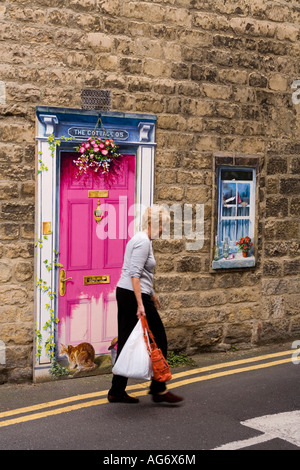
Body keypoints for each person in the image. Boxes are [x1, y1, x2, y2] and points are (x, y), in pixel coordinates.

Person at [108, 205, 184, 404]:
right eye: (163, 225)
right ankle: (158, 390)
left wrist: (152, 293)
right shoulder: (143, 242)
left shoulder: (140, 239)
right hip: (133, 295)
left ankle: (116, 391)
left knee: (125, 340)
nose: (164, 230)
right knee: (158, 337)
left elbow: (141, 274)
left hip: (127, 293)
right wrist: (141, 304)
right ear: (154, 223)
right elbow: (134, 274)